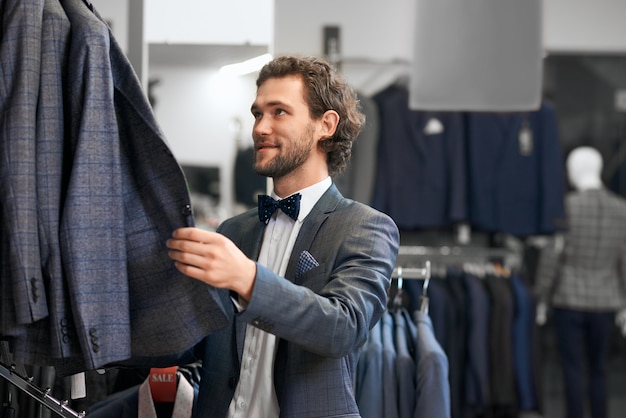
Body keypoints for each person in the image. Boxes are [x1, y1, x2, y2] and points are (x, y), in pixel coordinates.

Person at [166, 55, 400, 417]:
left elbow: (343, 327)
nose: (260, 127)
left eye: (279, 112)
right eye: (258, 113)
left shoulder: (365, 226)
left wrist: (247, 279)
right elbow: (192, 344)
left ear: (326, 124)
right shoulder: (234, 231)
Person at [534, 146, 626, 418]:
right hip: (607, 298)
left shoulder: (566, 206)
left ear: (573, 172)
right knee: (599, 368)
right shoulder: (621, 210)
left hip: (569, 298)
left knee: (572, 367)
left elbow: (552, 256)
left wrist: (541, 296)